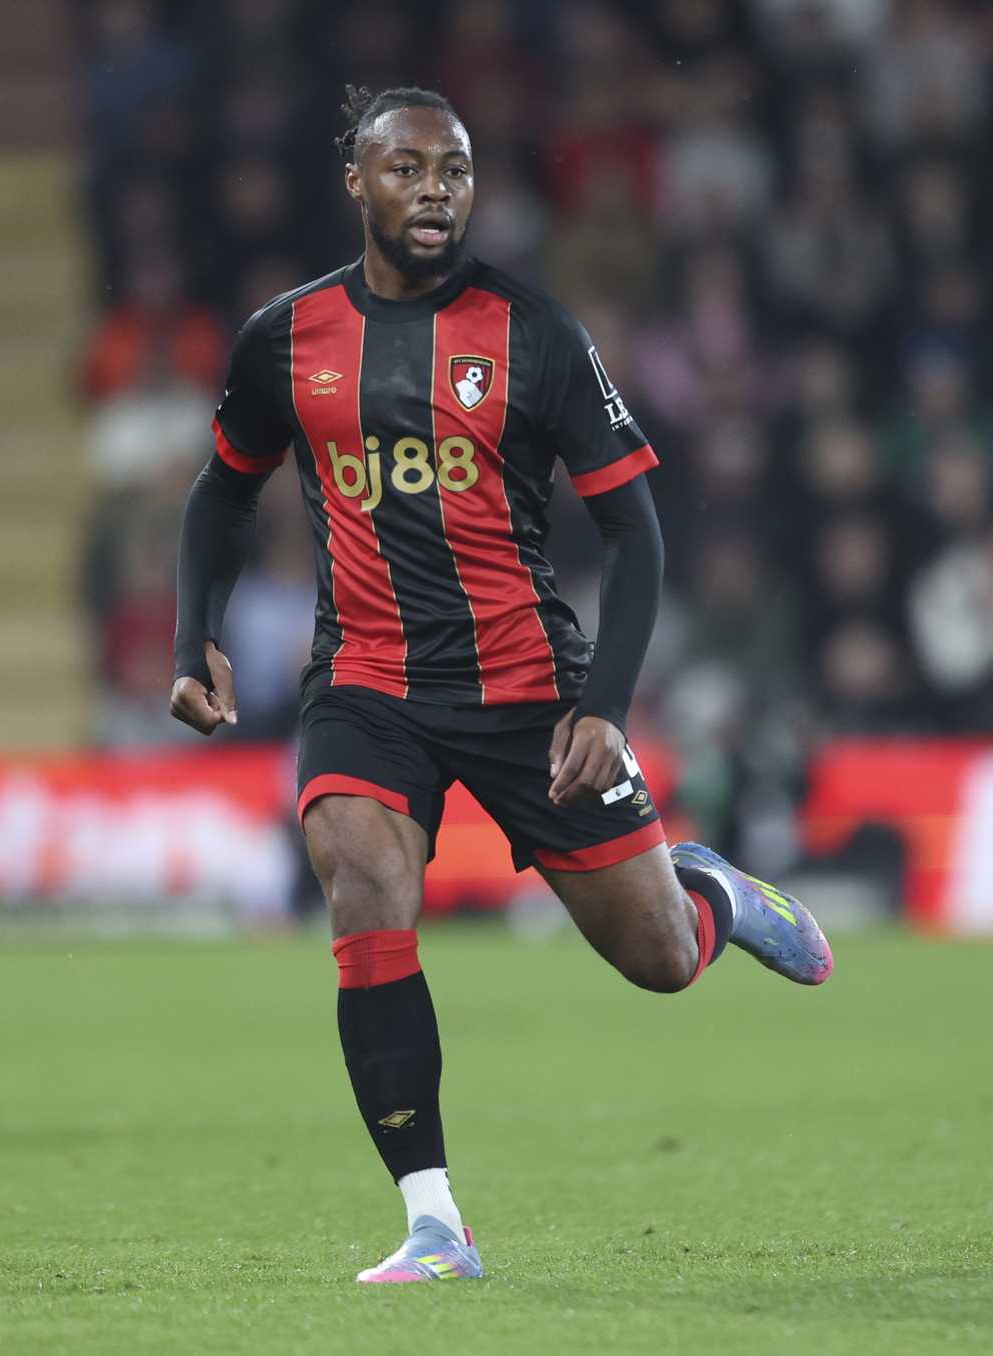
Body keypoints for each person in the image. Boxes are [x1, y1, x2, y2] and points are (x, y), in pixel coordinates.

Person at [170, 85, 833, 1285]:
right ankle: (435, 1220)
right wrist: (190, 639)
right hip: (365, 681)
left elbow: (635, 539)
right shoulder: (285, 338)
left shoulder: (535, 333)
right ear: (356, 182)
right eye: (409, 168)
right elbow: (222, 493)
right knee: (360, 879)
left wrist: (605, 706)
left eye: (457, 171)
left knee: (659, 961)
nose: (436, 190)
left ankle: (712, 895)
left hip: (533, 693)